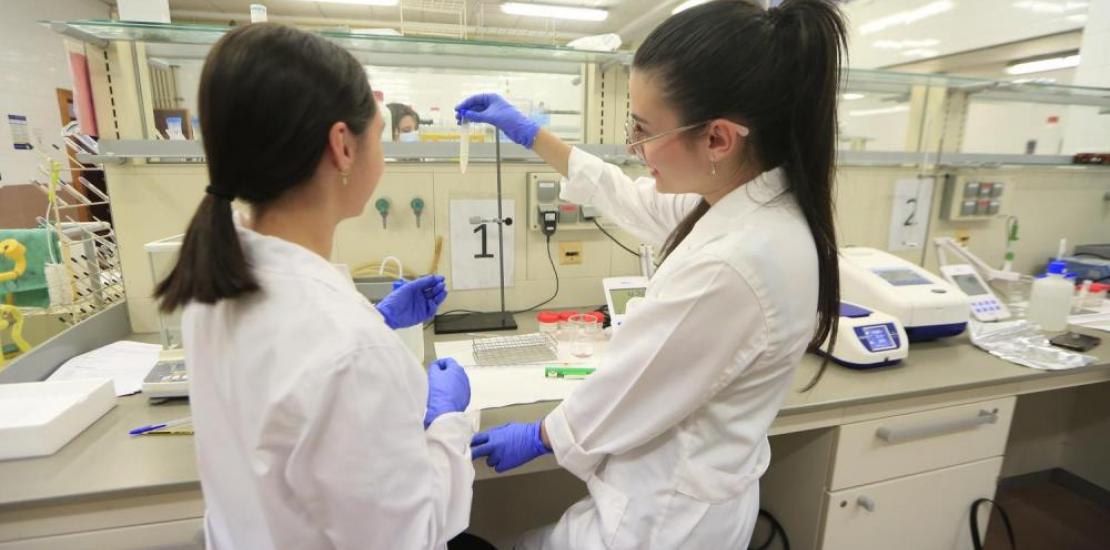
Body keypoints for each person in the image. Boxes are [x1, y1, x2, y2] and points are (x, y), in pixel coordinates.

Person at [457, 0, 845, 547]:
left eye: (642, 128)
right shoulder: (755, 206)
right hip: (692, 496)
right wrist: (533, 136)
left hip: (666, 521)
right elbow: (635, 201)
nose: (633, 148)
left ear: (717, 138)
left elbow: (630, 385)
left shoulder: (732, 262)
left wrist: (543, 433)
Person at [154, 24, 474, 549]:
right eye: (379, 133)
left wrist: (376, 318)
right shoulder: (347, 349)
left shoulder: (212, 285)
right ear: (342, 146)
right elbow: (410, 536)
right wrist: (446, 423)